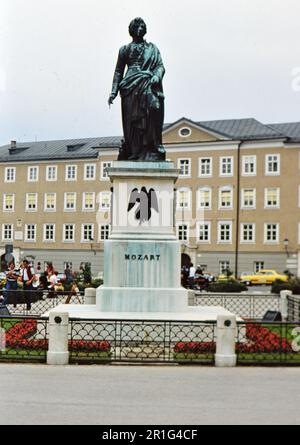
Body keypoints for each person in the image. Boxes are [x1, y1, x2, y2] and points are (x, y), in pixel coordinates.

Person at [108, 17, 166, 161]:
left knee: (154, 108)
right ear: (132, 30)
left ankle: (152, 146)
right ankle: (135, 151)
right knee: (132, 122)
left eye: (143, 26)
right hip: (129, 86)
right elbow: (118, 71)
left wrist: (157, 76)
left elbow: (160, 66)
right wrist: (113, 91)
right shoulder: (124, 50)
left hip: (147, 82)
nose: (140, 28)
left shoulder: (153, 48)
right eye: (137, 26)